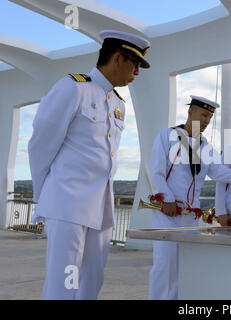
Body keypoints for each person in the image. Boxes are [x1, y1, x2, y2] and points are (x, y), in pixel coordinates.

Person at [28, 30, 151, 299]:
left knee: (92, 280)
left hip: (101, 207)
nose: (137, 72)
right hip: (68, 203)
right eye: (135, 64)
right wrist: (45, 198)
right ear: (117, 58)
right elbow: (41, 145)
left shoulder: (118, 104)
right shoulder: (73, 87)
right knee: (65, 282)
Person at [148, 95, 231, 300]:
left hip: (190, 216)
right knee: (164, 265)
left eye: (210, 117)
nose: (206, 121)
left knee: (185, 266)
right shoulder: (167, 136)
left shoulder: (206, 147)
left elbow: (219, 173)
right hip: (166, 214)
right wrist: (166, 199)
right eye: (203, 115)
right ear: (190, 112)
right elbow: (156, 171)